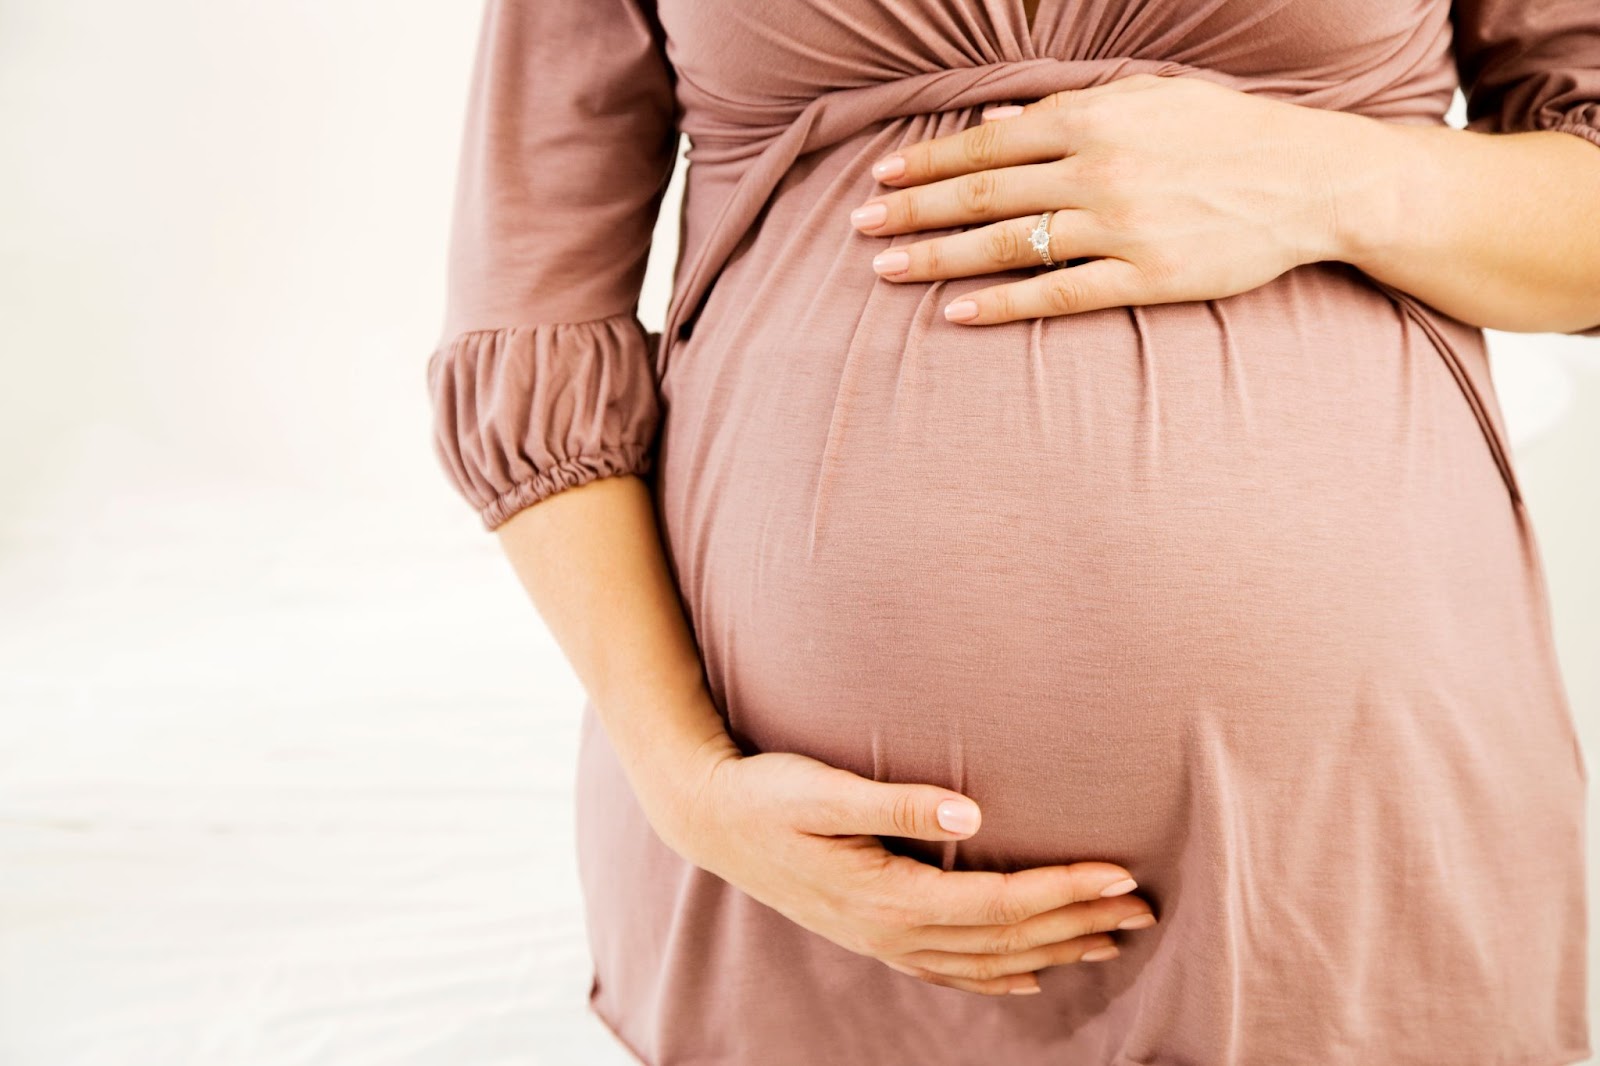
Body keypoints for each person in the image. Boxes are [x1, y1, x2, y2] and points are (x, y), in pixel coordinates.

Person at [423, 0, 1600, 1062]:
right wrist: (684, 784)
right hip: (794, 883)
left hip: (1349, 840)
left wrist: (1333, 180)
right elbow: (529, 309)